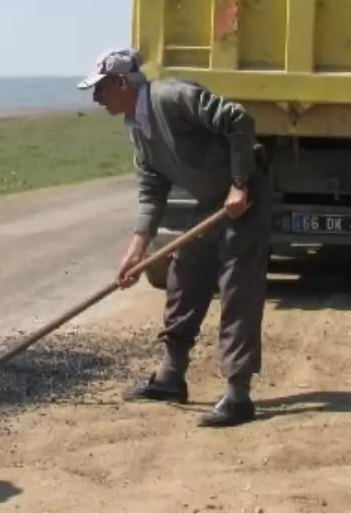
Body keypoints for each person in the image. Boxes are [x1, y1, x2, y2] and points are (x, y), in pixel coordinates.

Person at [80, 48, 270, 427]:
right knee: (184, 275)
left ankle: (238, 395)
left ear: (121, 83)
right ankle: (171, 376)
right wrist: (135, 253)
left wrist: (239, 184)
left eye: (100, 89)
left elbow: (239, 120)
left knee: (236, 288)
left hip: (245, 196)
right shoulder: (138, 128)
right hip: (210, 201)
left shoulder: (172, 97)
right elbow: (151, 194)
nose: (96, 99)